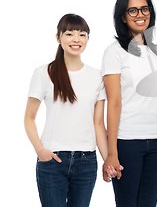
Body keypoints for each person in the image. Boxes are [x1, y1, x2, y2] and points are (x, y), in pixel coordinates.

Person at [101, 0, 157, 207]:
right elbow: (114, 103)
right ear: (123, 16)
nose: (140, 14)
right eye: (133, 10)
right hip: (127, 142)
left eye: (144, 8)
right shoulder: (114, 52)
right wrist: (111, 153)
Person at [24, 14, 108, 207]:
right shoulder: (44, 72)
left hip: (86, 160)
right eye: (69, 33)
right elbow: (29, 118)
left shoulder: (97, 76)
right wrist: (40, 151)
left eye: (82, 34)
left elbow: (98, 124)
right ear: (58, 37)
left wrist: (107, 159)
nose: (76, 39)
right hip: (52, 159)